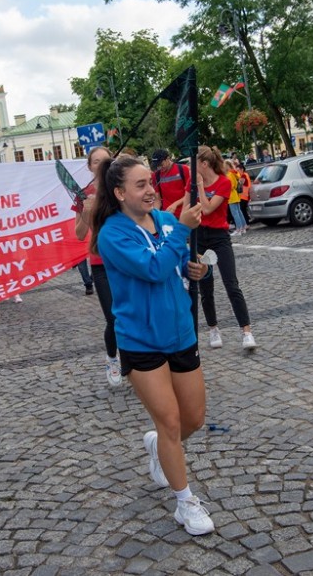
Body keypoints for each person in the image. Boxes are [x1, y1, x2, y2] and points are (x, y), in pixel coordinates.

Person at [90, 155, 214, 535]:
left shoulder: (165, 220)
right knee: (170, 422)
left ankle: (160, 445)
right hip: (141, 340)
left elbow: (176, 264)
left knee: (194, 419)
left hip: (180, 332)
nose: (150, 190)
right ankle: (185, 503)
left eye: (151, 182)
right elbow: (152, 268)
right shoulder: (112, 234)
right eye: (141, 184)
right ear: (119, 192)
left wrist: (196, 268)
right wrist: (183, 229)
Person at [194, 146, 257, 351]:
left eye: (195, 163)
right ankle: (213, 329)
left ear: (204, 164)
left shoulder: (223, 181)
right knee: (206, 287)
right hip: (200, 236)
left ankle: (246, 331)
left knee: (231, 284)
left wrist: (200, 187)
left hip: (219, 237)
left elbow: (207, 208)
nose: (193, 168)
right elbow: (189, 206)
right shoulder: (194, 182)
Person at [74, 146, 121, 387]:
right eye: (96, 161)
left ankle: (134, 361)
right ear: (89, 166)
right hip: (100, 263)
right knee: (113, 318)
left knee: (132, 314)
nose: (102, 164)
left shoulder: (119, 189)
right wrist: (87, 212)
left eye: (106, 159)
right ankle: (112, 358)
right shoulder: (84, 194)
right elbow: (80, 234)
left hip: (124, 260)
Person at [149, 149, 190, 217]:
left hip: (184, 213)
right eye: (157, 166)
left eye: (161, 164)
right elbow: (157, 199)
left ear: (168, 159)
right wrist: (155, 215)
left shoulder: (183, 169)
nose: (159, 167)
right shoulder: (155, 175)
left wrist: (175, 204)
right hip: (167, 214)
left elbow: (191, 194)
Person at [224, 159, 247, 235]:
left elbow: (231, 186)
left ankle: (238, 229)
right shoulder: (235, 173)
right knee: (239, 212)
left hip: (232, 195)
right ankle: (243, 227)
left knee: (235, 213)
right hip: (236, 194)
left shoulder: (229, 174)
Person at [235, 160, 252, 227]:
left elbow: (239, 184)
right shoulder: (245, 175)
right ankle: (246, 223)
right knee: (243, 210)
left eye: (238, 170)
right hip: (244, 195)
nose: (237, 172)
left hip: (243, 196)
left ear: (242, 169)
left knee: (242, 210)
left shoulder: (243, 175)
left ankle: (246, 224)